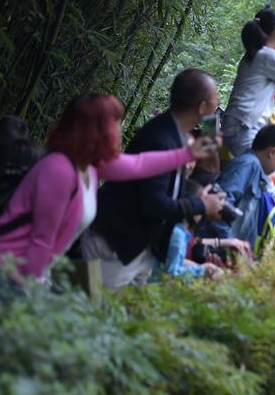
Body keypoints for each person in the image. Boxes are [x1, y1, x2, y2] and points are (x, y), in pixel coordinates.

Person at [0, 93, 215, 280]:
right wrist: (33, 289)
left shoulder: (90, 165)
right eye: (115, 123)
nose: (119, 130)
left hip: (24, 271)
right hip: (7, 270)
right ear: (96, 130)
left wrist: (187, 154)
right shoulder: (59, 169)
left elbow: (139, 164)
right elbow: (41, 240)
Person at [84, 69, 225, 289]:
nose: (216, 110)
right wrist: (200, 205)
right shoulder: (161, 138)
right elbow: (153, 204)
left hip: (138, 247)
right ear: (202, 107)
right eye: (215, 104)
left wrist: (202, 198)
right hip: (115, 246)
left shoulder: (176, 134)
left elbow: (207, 166)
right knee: (98, 315)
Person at [222, 7, 275, 156]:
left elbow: (272, 84)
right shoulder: (267, 55)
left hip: (237, 123)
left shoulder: (254, 54)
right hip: (244, 125)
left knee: (255, 170)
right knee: (251, 169)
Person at [208, 124, 275, 250]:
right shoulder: (247, 165)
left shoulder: (255, 168)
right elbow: (220, 206)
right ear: (272, 152)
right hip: (226, 250)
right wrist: (230, 246)